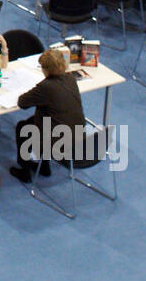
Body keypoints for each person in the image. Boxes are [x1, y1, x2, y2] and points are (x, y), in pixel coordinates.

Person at [8, 47, 88, 183]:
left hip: (59, 141)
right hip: (79, 136)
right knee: (36, 121)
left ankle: (25, 170)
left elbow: (22, 103)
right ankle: (44, 165)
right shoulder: (70, 78)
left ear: (45, 69)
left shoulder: (46, 87)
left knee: (23, 128)